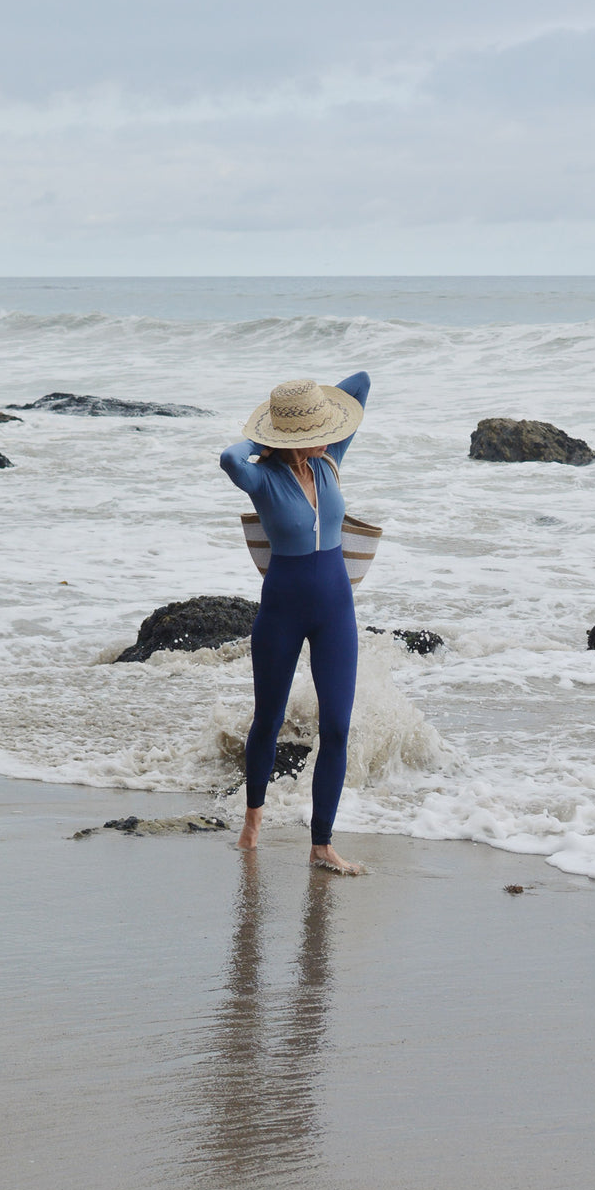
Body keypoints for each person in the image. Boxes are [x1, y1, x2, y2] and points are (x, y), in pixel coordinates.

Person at [219, 371, 371, 874]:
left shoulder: (331, 460)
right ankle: (253, 819)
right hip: (282, 609)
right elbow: (229, 459)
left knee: (337, 727)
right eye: (315, 428)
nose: (328, 432)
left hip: (335, 610)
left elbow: (362, 384)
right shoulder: (261, 477)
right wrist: (265, 437)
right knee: (268, 718)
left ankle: (322, 843)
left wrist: (316, 409)